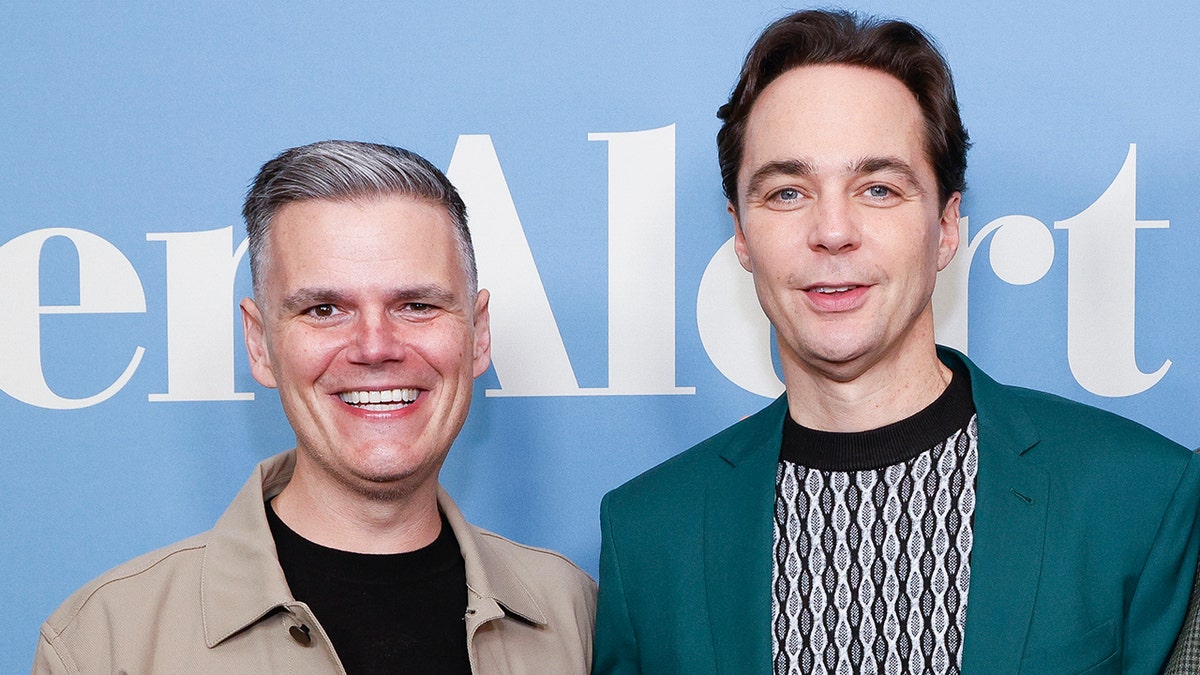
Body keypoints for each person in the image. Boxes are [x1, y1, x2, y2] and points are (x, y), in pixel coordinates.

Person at [592, 9, 1200, 674]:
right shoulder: (649, 535)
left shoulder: (1138, 493)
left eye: (878, 188)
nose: (832, 230)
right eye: (787, 192)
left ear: (945, 226)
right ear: (740, 232)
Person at [35, 140, 596, 674]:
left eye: (417, 304)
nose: (376, 346)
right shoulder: (109, 643)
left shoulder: (577, 618)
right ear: (259, 344)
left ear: (477, 334)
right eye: (325, 309)